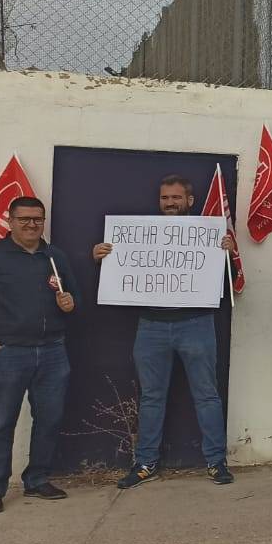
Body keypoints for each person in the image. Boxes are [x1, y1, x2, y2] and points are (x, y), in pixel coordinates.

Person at [94, 175, 237, 489]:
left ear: (190, 200)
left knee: (207, 395)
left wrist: (227, 254)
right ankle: (145, 463)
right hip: (152, 326)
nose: (170, 203)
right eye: (165, 198)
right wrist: (103, 256)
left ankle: (216, 462)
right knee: (151, 398)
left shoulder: (207, 234)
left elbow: (230, 281)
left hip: (196, 324)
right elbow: (120, 274)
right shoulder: (139, 236)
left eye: (176, 198)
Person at [0, 195, 77, 513]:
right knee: (0, 421)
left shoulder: (55, 256)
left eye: (38, 219)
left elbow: (71, 296)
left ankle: (37, 480)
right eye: (24, 219)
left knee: (49, 419)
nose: (32, 225)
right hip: (7, 353)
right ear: (9, 221)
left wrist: (70, 304)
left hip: (53, 351)